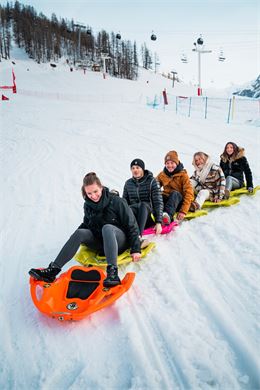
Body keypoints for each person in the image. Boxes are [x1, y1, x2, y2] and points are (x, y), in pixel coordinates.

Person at [29, 172, 141, 287]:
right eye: (89, 193)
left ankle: (113, 273)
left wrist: (136, 248)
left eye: (96, 191)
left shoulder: (117, 202)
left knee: (107, 228)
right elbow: (86, 224)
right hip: (101, 244)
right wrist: (75, 239)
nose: (93, 196)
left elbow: (132, 225)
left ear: (101, 188)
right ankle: (53, 270)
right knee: (79, 233)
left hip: (119, 242)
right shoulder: (88, 205)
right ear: (85, 192)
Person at [123, 158, 163, 236]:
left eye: (138, 167)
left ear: (143, 169)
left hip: (149, 216)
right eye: (133, 168)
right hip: (134, 216)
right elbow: (125, 202)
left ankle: (138, 237)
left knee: (143, 205)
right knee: (127, 208)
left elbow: (158, 202)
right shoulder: (128, 183)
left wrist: (158, 222)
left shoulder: (152, 181)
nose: (135, 170)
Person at [156, 151, 194, 223]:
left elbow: (189, 193)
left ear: (176, 163)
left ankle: (167, 216)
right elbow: (154, 185)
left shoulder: (183, 175)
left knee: (175, 193)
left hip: (178, 202)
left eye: (172, 163)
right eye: (167, 163)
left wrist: (183, 211)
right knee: (158, 195)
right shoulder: (162, 174)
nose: (170, 165)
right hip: (167, 200)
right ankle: (155, 213)